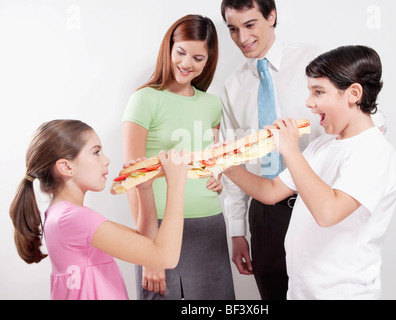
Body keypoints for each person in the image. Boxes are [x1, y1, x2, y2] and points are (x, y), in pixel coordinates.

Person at [224, 45, 396, 299]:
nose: (309, 103)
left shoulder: (374, 152)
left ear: (353, 93)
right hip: (302, 291)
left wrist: (290, 150)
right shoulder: (322, 145)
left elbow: (328, 213)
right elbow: (272, 191)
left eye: (318, 92)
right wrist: (227, 165)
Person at [122, 14, 235, 300]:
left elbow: (210, 162)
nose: (186, 64)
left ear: (208, 61)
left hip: (209, 224)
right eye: (181, 52)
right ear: (169, 48)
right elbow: (131, 180)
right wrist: (148, 251)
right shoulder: (144, 99)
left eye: (198, 58)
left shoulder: (212, 105)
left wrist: (216, 178)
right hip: (159, 227)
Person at [9, 119, 188, 300]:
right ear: (66, 166)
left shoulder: (62, 216)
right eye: (96, 152)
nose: (106, 160)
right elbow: (165, 257)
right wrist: (176, 185)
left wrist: (144, 189)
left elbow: (146, 245)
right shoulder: (73, 218)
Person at [219, 0, 323, 299]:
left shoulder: (313, 59)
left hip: (314, 202)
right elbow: (232, 162)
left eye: (250, 25)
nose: (242, 38)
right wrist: (237, 231)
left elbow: (362, 114)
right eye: (233, 29)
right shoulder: (233, 86)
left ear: (272, 16)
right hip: (264, 213)